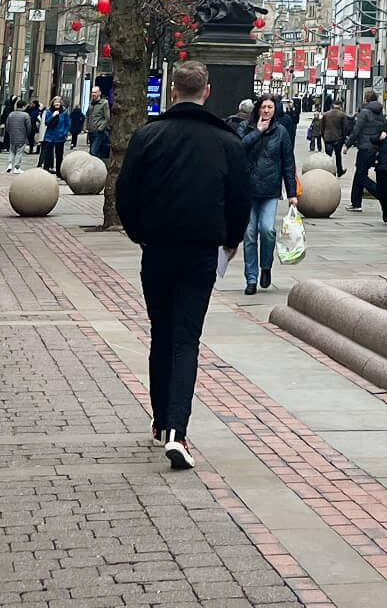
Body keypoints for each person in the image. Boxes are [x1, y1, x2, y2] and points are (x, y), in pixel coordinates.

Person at [114, 60, 250, 471]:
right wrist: (229, 240)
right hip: (200, 250)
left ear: (174, 90)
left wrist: (141, 234)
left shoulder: (147, 136)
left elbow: (126, 195)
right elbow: (239, 202)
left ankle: (160, 422)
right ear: (206, 92)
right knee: (185, 338)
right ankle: (178, 429)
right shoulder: (227, 143)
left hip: (157, 248)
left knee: (161, 331)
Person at [239, 97, 298, 295]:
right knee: (249, 234)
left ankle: (266, 266)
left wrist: (292, 193)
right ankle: (251, 278)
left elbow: (288, 163)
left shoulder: (281, 132)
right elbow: (238, 149)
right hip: (247, 190)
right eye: (263, 107)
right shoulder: (246, 127)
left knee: (267, 230)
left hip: (270, 189)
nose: (266, 110)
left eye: (270, 107)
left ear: (275, 110)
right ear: (257, 109)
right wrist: (258, 132)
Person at [347, 90, 387, 211]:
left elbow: (357, 130)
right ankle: (356, 202)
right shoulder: (381, 114)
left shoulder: (364, 112)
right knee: (360, 174)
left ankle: (380, 194)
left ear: (366, 99)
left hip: (365, 147)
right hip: (375, 147)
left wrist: (348, 144)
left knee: (360, 175)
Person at [319, 99, 347, 176]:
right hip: (338, 138)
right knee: (338, 155)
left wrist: (323, 136)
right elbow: (345, 128)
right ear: (340, 106)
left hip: (327, 138)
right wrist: (343, 139)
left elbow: (321, 127)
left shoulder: (325, 114)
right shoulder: (342, 115)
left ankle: (328, 171)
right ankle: (339, 171)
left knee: (328, 156)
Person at [5, 101, 33, 173]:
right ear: (23, 106)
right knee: (19, 152)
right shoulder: (26, 115)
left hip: (12, 136)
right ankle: (17, 167)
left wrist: (10, 133)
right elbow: (29, 127)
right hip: (22, 136)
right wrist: (27, 135)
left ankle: (10, 164)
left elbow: (7, 125)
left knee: (12, 151)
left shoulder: (11, 114)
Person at [84, 85, 111, 161]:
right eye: (92, 92)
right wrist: (86, 127)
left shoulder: (104, 103)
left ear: (99, 93)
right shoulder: (91, 104)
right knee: (93, 151)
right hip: (91, 131)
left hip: (99, 132)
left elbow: (107, 118)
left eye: (95, 92)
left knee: (93, 151)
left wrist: (101, 128)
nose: (93, 94)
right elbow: (87, 116)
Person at [40, 101, 67, 171]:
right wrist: (53, 115)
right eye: (55, 102)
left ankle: (59, 171)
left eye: (58, 102)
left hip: (60, 137)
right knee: (48, 155)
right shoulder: (49, 112)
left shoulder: (64, 113)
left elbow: (68, 123)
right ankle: (46, 170)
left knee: (59, 155)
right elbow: (46, 122)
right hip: (50, 136)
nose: (57, 104)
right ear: (53, 103)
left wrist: (65, 133)